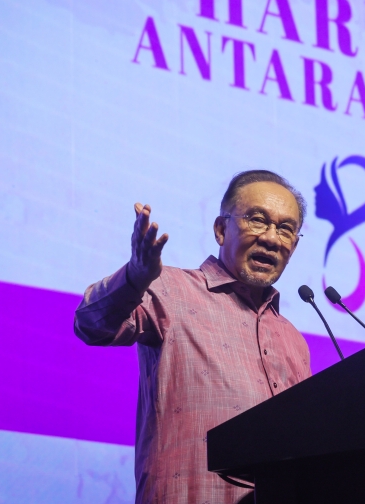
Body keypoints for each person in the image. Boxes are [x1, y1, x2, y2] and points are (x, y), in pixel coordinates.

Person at [74, 170, 312, 504]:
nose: (273, 238)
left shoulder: (293, 340)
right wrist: (134, 277)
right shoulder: (169, 289)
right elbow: (89, 324)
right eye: (257, 220)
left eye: (286, 228)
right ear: (220, 229)